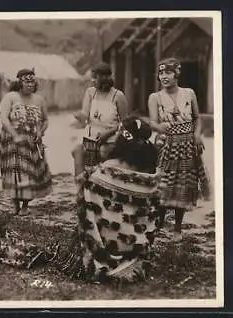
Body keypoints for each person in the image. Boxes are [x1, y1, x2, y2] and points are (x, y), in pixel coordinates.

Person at [56, 117, 160, 284]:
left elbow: (85, 198)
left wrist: (79, 162)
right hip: (135, 246)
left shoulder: (107, 169)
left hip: (107, 242)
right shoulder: (150, 171)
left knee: (86, 194)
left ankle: (100, 258)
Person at [147, 57, 211, 241]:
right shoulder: (155, 97)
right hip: (166, 144)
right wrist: (160, 128)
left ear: (177, 74)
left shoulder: (189, 93)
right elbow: (152, 122)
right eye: (161, 73)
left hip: (187, 144)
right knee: (162, 185)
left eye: (168, 72)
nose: (164, 77)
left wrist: (197, 135)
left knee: (184, 185)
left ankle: (177, 228)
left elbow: (197, 118)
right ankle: (158, 224)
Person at [0, 68, 53, 216]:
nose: (30, 85)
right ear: (19, 82)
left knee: (29, 173)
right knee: (14, 172)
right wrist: (15, 135)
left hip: (31, 141)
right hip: (11, 140)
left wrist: (41, 131)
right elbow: (4, 118)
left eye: (32, 82)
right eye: (26, 82)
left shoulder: (39, 99)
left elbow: (46, 120)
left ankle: (25, 205)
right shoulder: (10, 97)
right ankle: (15, 204)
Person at [71, 62, 129, 199]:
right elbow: (85, 115)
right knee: (77, 151)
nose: (92, 81)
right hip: (91, 140)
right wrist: (80, 116)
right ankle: (80, 191)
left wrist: (107, 134)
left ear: (103, 78)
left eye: (94, 78)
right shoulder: (91, 92)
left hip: (110, 141)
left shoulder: (118, 96)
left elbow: (125, 123)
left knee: (102, 157)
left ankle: (101, 194)